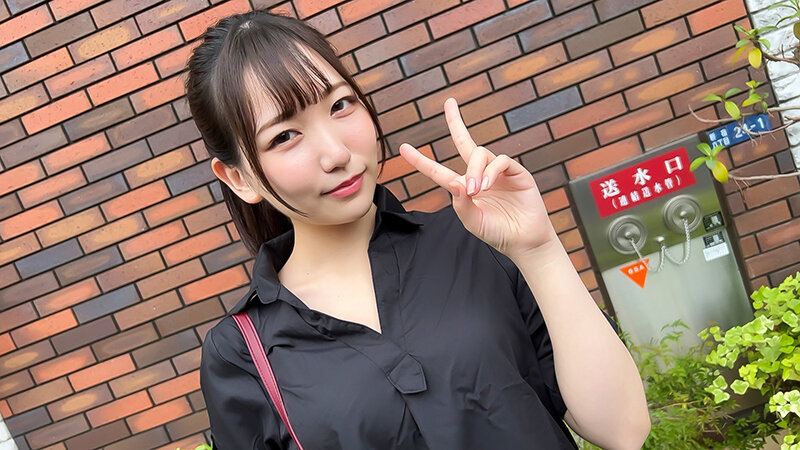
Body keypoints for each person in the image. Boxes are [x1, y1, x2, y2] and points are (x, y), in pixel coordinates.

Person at [186, 10, 650, 450]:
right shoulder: (242, 353)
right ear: (239, 178)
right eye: (284, 136)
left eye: (341, 105)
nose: (337, 153)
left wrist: (539, 249)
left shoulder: (476, 243)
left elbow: (623, 431)